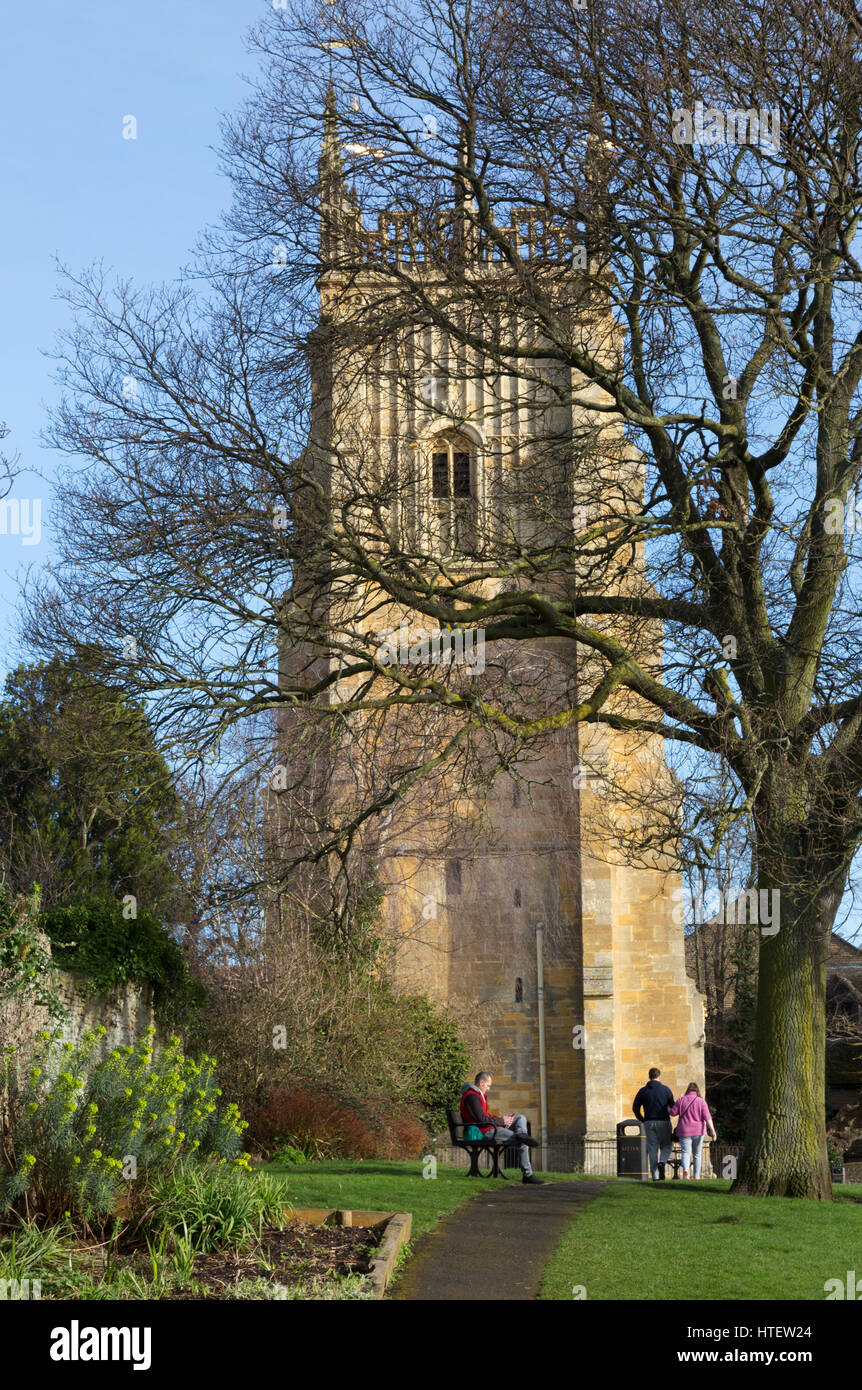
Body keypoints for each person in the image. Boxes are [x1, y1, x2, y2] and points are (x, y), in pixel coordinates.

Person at [459, 1072, 545, 1184]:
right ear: (481, 1083)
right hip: (483, 1131)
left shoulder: (479, 1095)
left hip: (488, 1127)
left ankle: (521, 1134)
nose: (489, 1089)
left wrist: (503, 1119)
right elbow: (482, 1120)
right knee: (522, 1141)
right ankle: (528, 1175)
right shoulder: (472, 1096)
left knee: (520, 1118)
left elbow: (486, 1116)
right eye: (488, 1086)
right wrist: (502, 1121)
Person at [632, 1066, 675, 1180]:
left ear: (649, 1077)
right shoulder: (666, 1089)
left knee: (652, 1149)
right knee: (667, 1145)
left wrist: (642, 1119)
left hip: (649, 1121)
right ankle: (662, 1162)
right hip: (664, 1121)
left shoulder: (643, 1091)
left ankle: (655, 1176)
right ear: (659, 1076)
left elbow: (635, 1107)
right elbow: (673, 1106)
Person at [669, 1082, 717, 1179]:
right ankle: (696, 1176)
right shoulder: (701, 1102)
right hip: (698, 1131)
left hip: (684, 1131)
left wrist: (667, 1107)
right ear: (697, 1091)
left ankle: (686, 1169)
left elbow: (672, 1113)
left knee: (685, 1152)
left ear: (688, 1090)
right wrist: (713, 1131)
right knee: (697, 1154)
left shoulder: (681, 1100)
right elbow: (708, 1118)